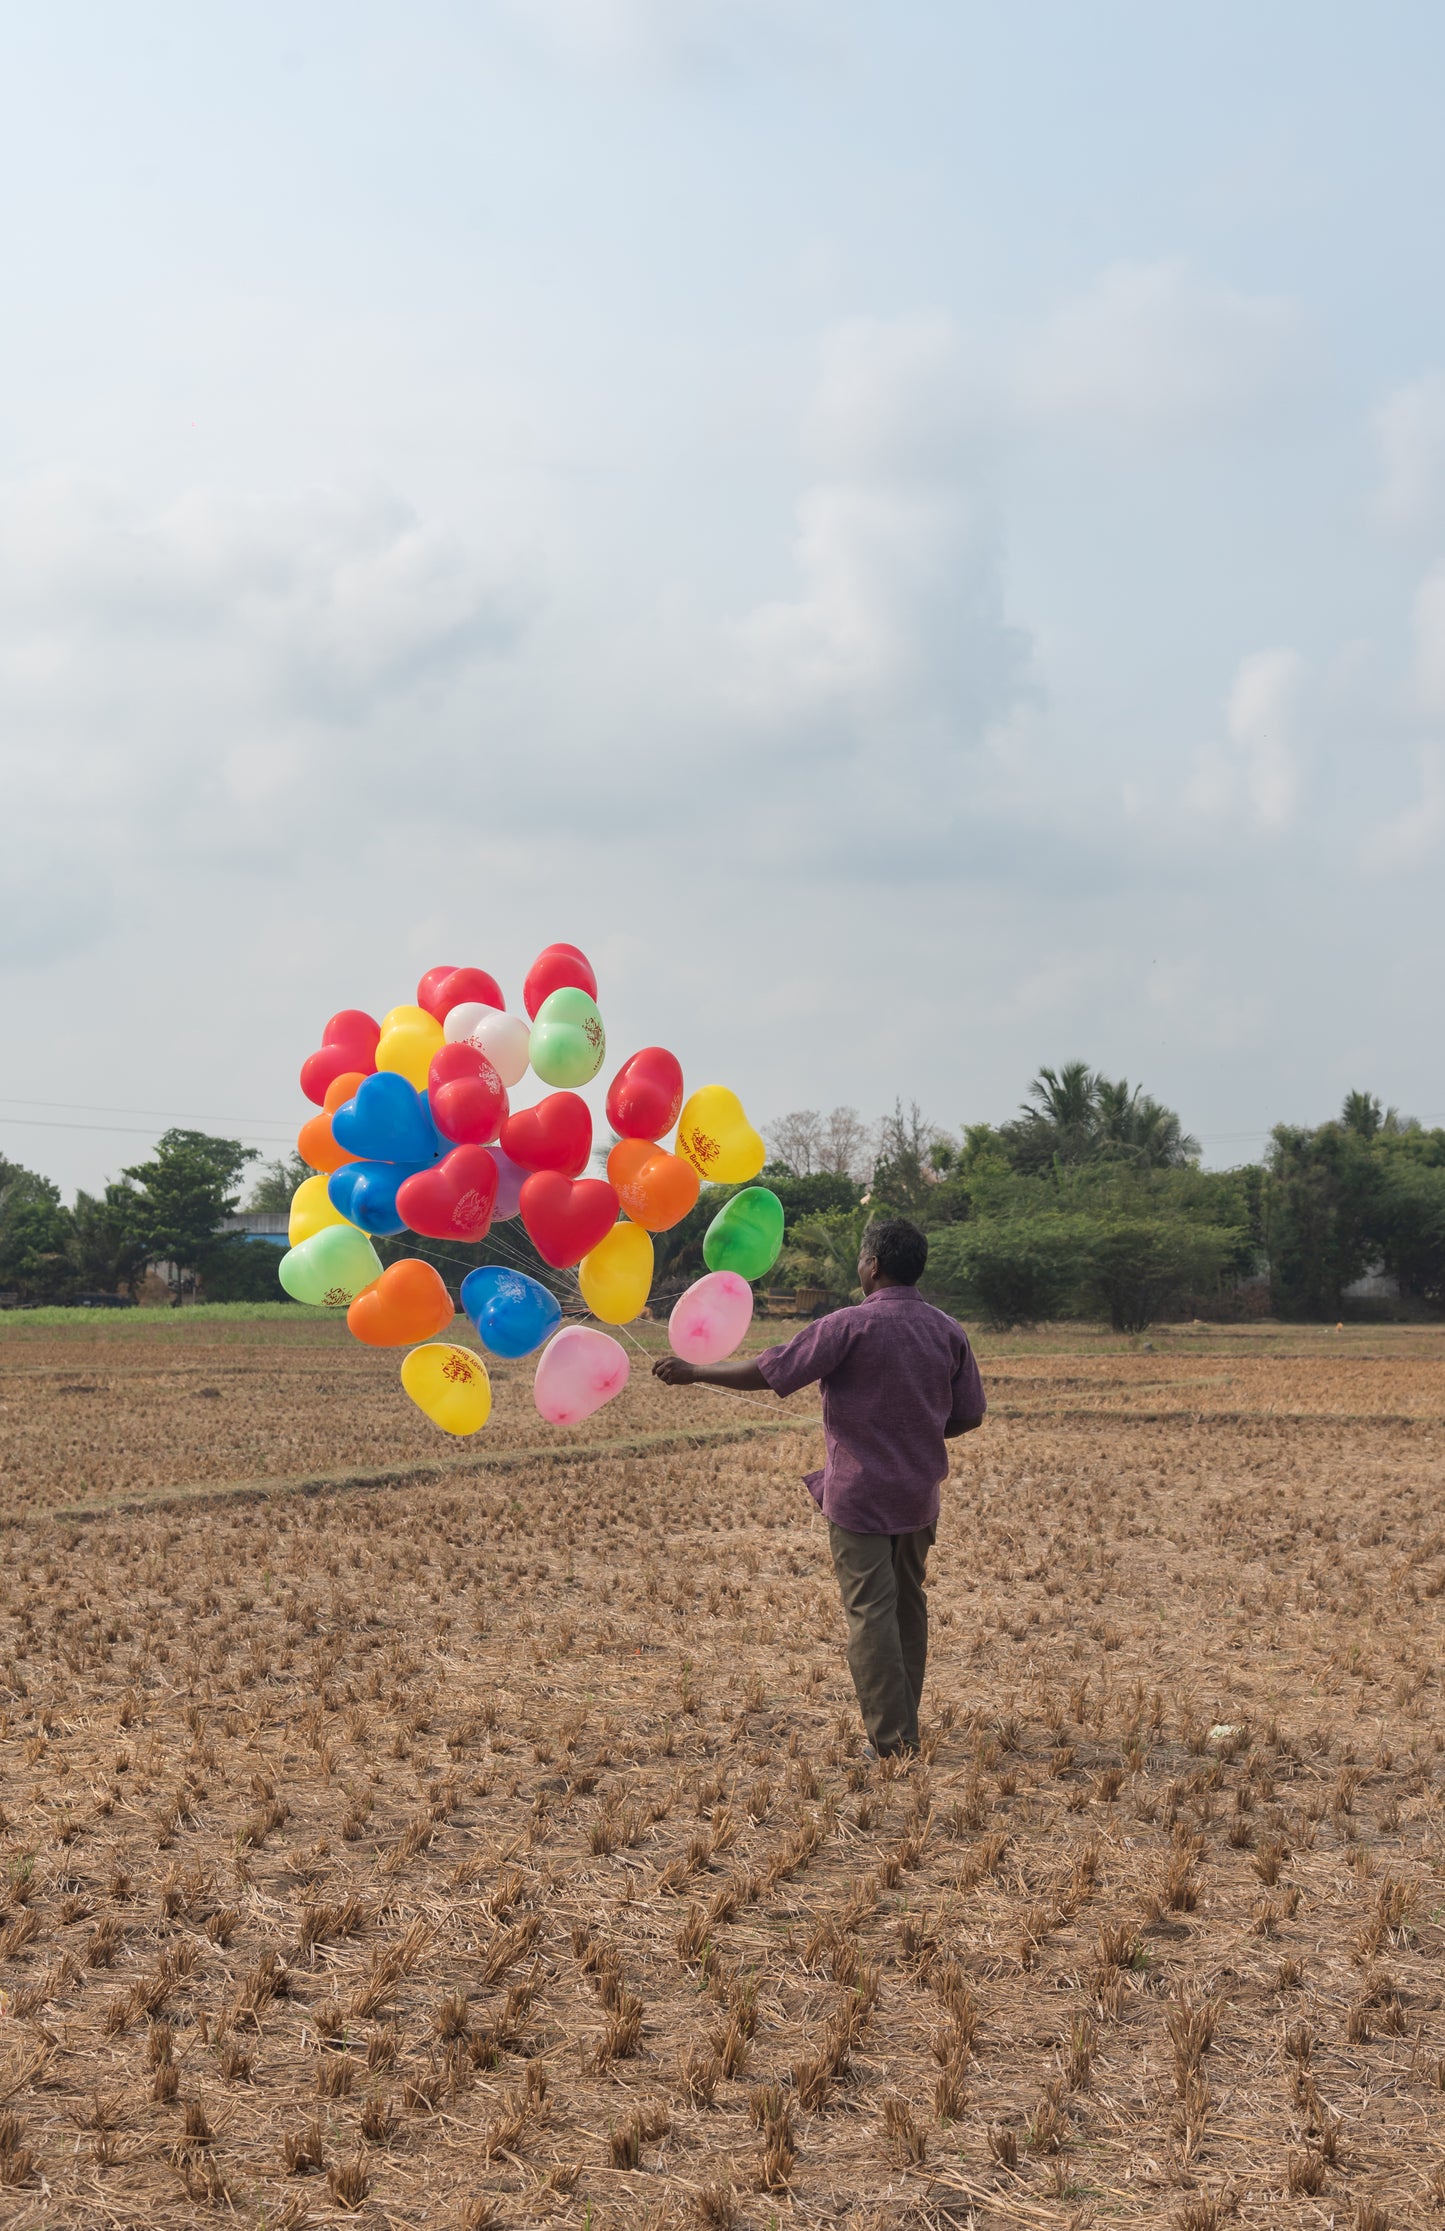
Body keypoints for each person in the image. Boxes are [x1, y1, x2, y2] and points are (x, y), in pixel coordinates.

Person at [653, 1216, 986, 1758]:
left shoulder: (848, 1326)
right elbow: (969, 1415)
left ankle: (892, 1740)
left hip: (859, 1498)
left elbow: (773, 1370)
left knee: (871, 1614)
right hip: (919, 1497)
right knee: (908, 1607)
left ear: (873, 1266)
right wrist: (923, 1428)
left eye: (860, 1258)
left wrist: (696, 1372)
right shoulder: (948, 1330)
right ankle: (904, 1727)